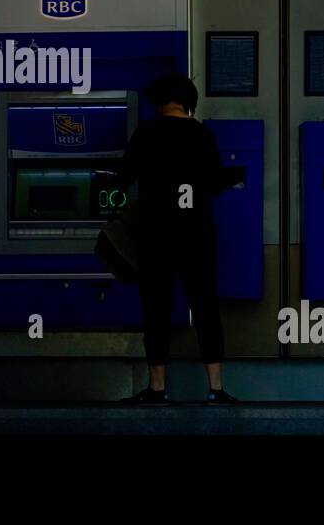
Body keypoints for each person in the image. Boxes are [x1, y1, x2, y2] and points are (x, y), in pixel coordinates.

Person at [118, 72, 238, 405]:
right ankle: (216, 388)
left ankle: (158, 388)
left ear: (160, 102)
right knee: (205, 309)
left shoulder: (146, 133)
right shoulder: (202, 135)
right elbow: (214, 183)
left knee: (156, 310)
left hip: (156, 234)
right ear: (189, 101)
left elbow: (123, 176)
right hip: (196, 234)